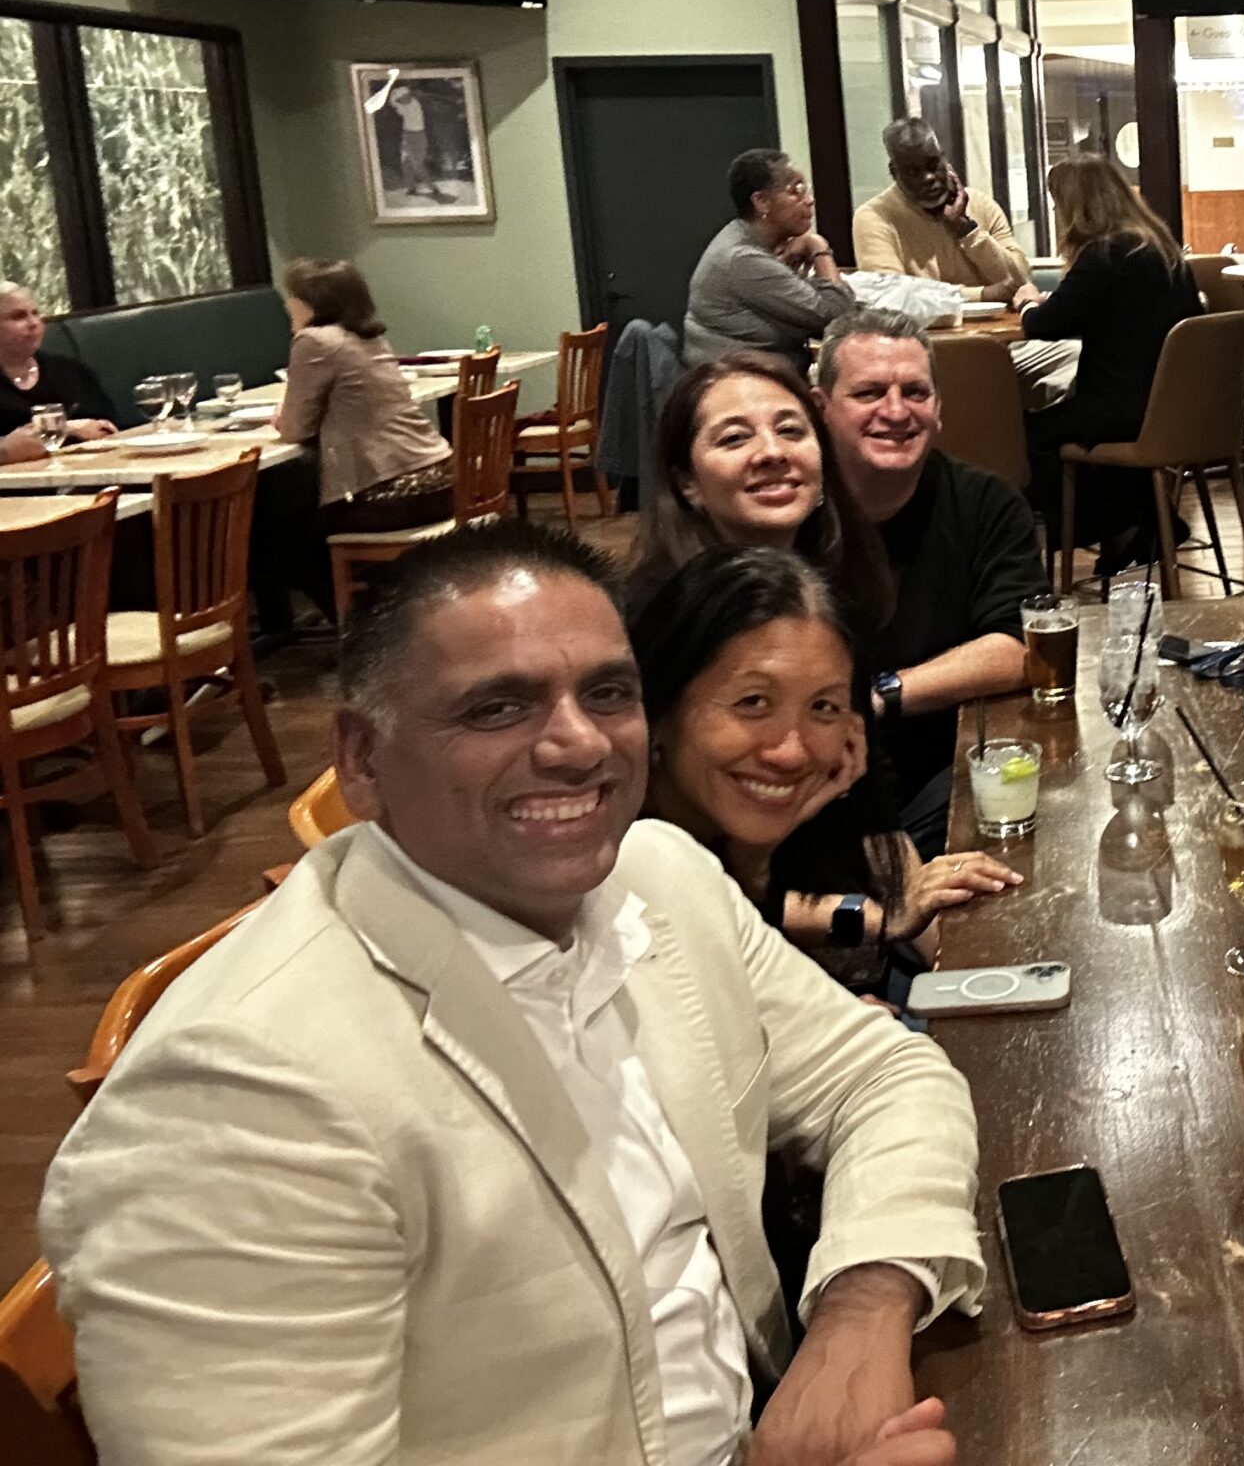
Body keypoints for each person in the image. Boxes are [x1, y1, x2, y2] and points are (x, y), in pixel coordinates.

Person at [39, 517, 983, 1466]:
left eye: (606, 693)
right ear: (363, 760)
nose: (579, 744)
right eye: (498, 708)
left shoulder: (658, 875)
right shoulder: (233, 1102)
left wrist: (860, 1311)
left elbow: (887, 1076)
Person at [630, 544, 1018, 1000]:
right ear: (658, 707)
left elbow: (749, 921)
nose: (791, 752)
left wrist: (880, 917)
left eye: (823, 706)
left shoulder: (751, 833)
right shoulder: (617, 862)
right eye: (752, 702)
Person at [818, 314, 1044, 855]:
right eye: (869, 392)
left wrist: (879, 695)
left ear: (938, 408)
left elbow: (1018, 648)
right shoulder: (791, 511)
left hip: (944, 770)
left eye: (915, 392)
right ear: (820, 406)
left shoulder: (987, 503)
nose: (896, 412)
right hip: (815, 779)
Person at [1011, 154, 1203, 563]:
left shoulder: (1105, 253)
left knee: (1025, 435)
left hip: (1126, 409)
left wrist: (1028, 303)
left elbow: (1045, 324)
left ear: (1076, 205)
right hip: (1173, 408)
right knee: (1073, 420)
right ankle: (1146, 523)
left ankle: (1113, 530)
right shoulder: (1158, 247)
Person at [621, 350, 891, 636]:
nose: (773, 452)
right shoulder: (661, 618)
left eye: (790, 430)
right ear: (687, 482)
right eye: (735, 438)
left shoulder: (851, 580)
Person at [273, 256, 453, 535]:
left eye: (292, 296)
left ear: (310, 302)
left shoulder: (314, 341)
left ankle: (345, 577)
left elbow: (295, 429)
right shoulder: (370, 337)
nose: (286, 304)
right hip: (441, 481)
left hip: (396, 494)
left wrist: (282, 417)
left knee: (282, 526)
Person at [683, 148, 869, 366]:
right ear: (761, 201)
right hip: (742, 384)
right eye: (796, 190)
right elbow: (840, 318)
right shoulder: (743, 260)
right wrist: (818, 247)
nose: (809, 200)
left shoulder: (745, 239)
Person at [852, 118, 1031, 304]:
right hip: (918, 332)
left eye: (933, 165)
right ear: (894, 173)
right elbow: (890, 296)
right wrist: (981, 295)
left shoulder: (981, 203)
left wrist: (967, 229)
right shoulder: (874, 216)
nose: (928, 177)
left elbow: (1020, 281)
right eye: (913, 171)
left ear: (944, 159)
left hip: (1000, 329)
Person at [0, 277, 120, 462]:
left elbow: (111, 429)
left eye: (35, 313)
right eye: (18, 316)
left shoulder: (70, 371)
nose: (34, 323)